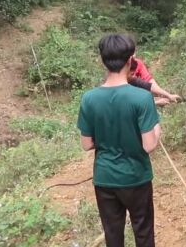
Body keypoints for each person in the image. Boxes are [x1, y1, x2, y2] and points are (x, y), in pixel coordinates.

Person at [77, 34, 161, 247]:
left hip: (105, 179)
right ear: (131, 59)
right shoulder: (142, 98)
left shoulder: (89, 98)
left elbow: (87, 144)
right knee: (143, 232)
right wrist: (156, 127)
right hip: (136, 178)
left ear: (102, 60)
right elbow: (149, 145)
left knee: (113, 235)